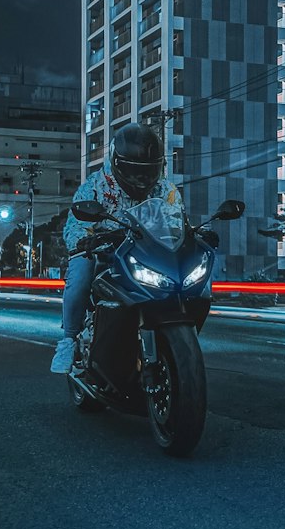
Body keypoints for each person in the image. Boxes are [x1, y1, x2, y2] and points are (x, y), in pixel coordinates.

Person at [50, 122, 185, 374]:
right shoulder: (94, 186)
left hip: (147, 251)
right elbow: (76, 224)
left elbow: (177, 221)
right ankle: (68, 340)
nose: (141, 179)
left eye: (148, 171)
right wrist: (84, 240)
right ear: (116, 162)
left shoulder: (166, 189)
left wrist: (196, 234)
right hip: (102, 250)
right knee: (79, 278)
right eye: (133, 171)